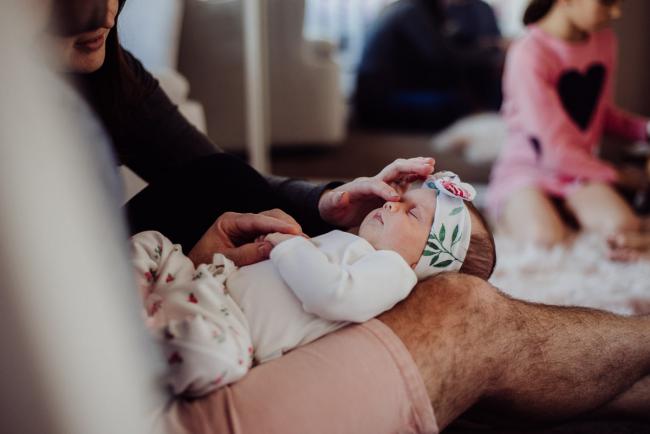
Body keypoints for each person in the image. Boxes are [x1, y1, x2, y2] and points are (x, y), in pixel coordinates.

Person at [47, 1, 650, 433]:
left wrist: (323, 205)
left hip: (175, 302)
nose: (101, 13)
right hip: (117, 378)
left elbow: (220, 175)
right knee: (465, 310)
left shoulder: (108, 76)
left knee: (466, 325)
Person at [130, 166, 496, 397]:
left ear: (427, 261)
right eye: (400, 198)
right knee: (153, 242)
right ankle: (133, 303)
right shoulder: (358, 244)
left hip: (232, 326)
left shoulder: (394, 273)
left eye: (410, 211)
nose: (391, 204)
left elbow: (333, 296)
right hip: (211, 282)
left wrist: (288, 247)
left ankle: (133, 346)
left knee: (208, 357)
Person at [486, 0, 650, 252]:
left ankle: (564, 210)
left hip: (577, 171)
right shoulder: (528, 53)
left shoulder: (604, 42)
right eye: (606, 3)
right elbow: (555, 151)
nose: (616, 13)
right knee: (544, 240)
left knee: (622, 225)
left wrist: (645, 130)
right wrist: (622, 177)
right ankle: (514, 213)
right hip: (528, 169)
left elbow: (601, 114)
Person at [354, 0, 505, 130]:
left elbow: (450, 46)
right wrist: (491, 51)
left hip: (387, 92)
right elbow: (442, 57)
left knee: (463, 90)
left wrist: (489, 49)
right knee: (457, 104)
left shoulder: (412, 8)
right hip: (379, 103)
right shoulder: (411, 11)